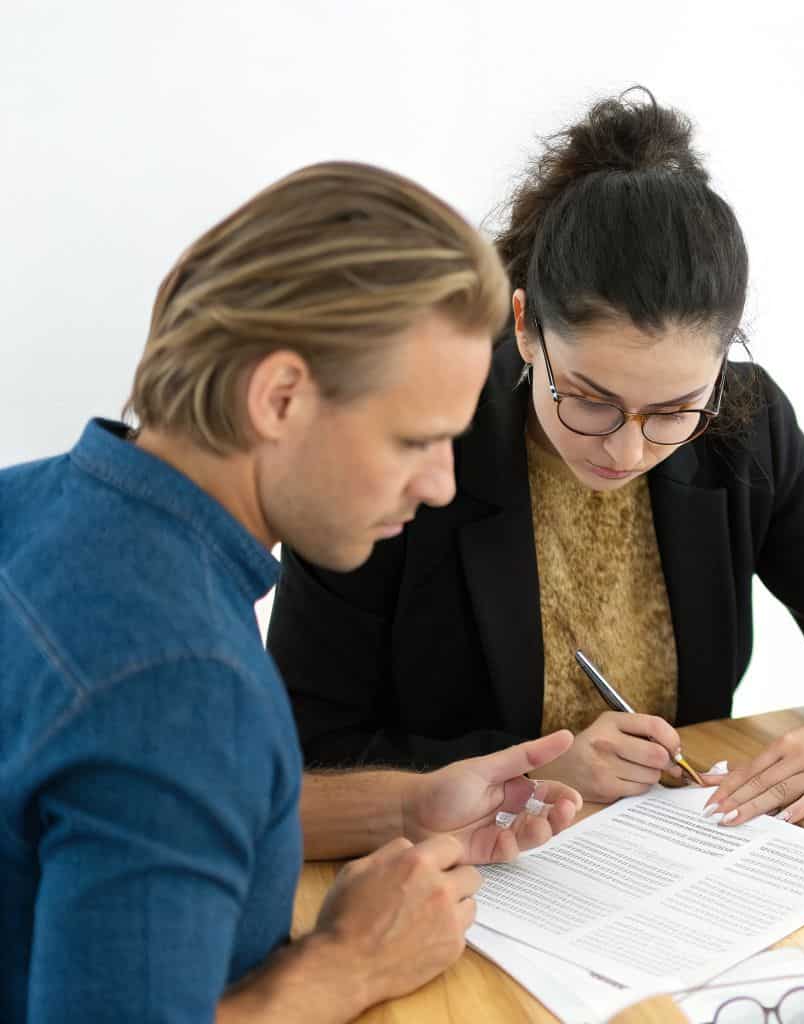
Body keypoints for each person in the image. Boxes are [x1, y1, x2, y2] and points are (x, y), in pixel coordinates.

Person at [269, 90, 804, 828]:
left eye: (674, 410)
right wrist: (530, 767)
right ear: (526, 326)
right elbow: (305, 756)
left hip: (663, 852)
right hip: (448, 866)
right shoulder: (418, 445)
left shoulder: (744, 426)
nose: (629, 450)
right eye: (590, 400)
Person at [0, 161, 584, 1023]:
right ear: (279, 397)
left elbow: (142, 805)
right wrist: (350, 964)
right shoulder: (183, 683)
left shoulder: (30, 503)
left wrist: (412, 804)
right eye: (416, 439)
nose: (441, 485)